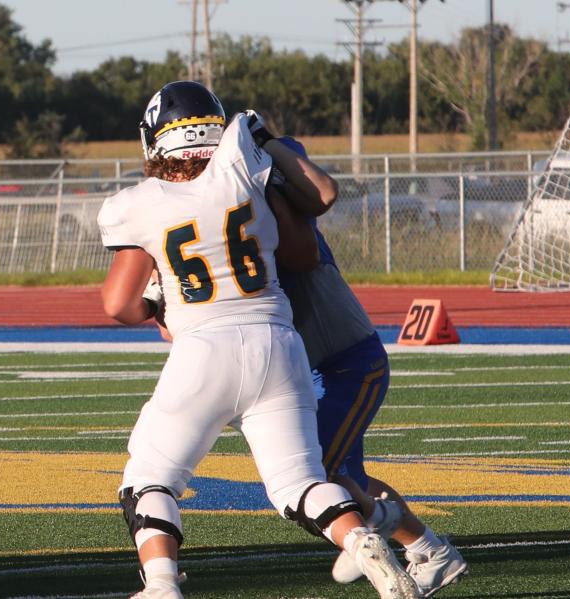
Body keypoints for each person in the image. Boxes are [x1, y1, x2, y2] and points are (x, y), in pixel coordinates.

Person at [97, 80, 422, 599]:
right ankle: (358, 538)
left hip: (204, 348)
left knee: (150, 476)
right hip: (279, 343)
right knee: (300, 485)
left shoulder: (143, 203)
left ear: (155, 140)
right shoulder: (246, 178)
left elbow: (117, 304)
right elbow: (305, 242)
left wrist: (157, 303)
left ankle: (161, 584)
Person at [270, 137, 469, 597]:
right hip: (321, 367)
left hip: (347, 364)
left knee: (309, 475)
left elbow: (311, 201)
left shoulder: (280, 211)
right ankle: (433, 552)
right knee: (347, 479)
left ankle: (381, 520)